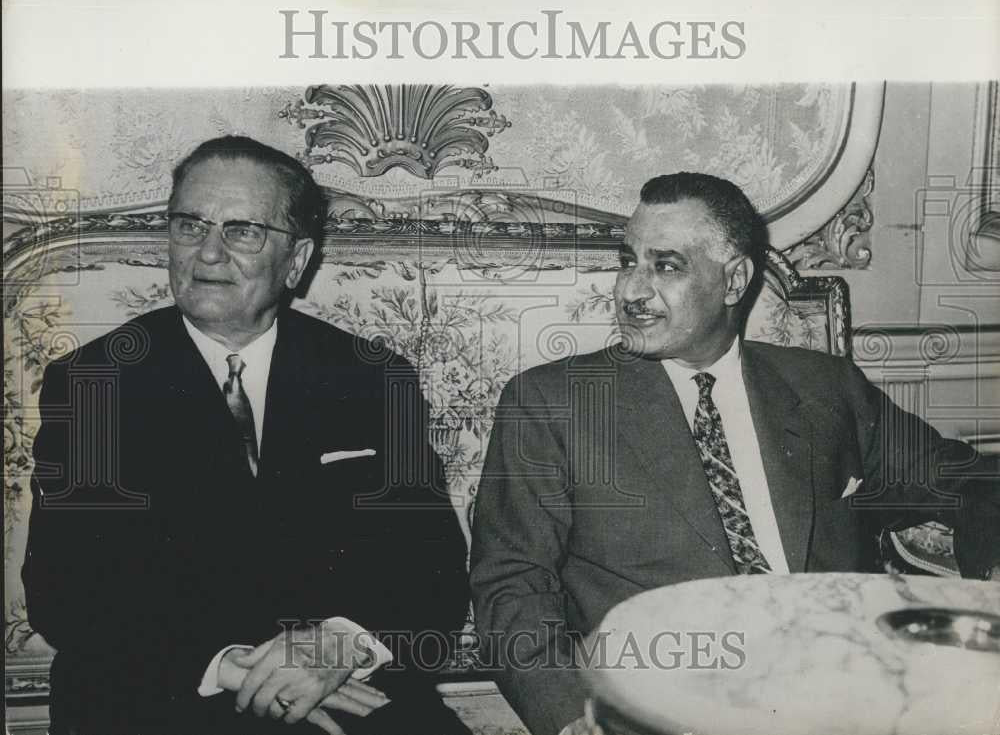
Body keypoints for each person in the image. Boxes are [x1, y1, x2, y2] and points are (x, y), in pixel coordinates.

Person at [469, 172, 1000, 735]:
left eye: (666, 266)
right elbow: (511, 586)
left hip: (841, 696)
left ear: (734, 280)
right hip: (667, 705)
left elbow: (965, 479)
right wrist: (576, 717)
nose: (631, 290)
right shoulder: (555, 403)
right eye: (628, 261)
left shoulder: (824, 387)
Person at [22, 136, 470, 735]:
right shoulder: (92, 382)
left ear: (297, 259)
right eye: (189, 226)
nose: (207, 254)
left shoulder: (371, 377)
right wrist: (229, 665)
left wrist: (343, 644)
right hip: (156, 695)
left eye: (243, 231)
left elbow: (432, 569)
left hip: (347, 689)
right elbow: (66, 587)